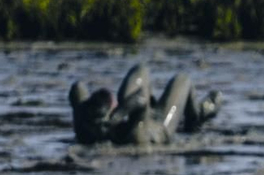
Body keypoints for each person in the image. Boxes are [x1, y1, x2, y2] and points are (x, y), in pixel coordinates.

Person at [68, 63, 221, 146]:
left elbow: (77, 87)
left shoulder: (83, 124)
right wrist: (118, 115)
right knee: (183, 79)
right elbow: (141, 98)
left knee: (141, 69)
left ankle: (153, 101)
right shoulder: (133, 133)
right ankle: (197, 116)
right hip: (160, 126)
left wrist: (85, 108)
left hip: (140, 114)